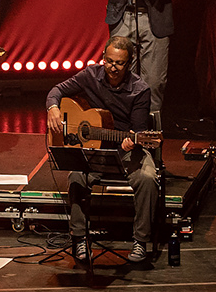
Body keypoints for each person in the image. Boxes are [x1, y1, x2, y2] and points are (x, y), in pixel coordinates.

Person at [48, 38, 157, 266]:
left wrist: (132, 141)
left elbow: (138, 131)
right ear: (103, 58)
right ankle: (79, 237)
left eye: (119, 63)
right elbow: (57, 90)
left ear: (129, 64)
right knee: (76, 176)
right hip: (93, 150)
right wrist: (53, 108)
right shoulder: (90, 75)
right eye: (109, 61)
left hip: (125, 149)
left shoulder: (139, 90)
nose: (113, 68)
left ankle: (140, 240)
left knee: (147, 179)